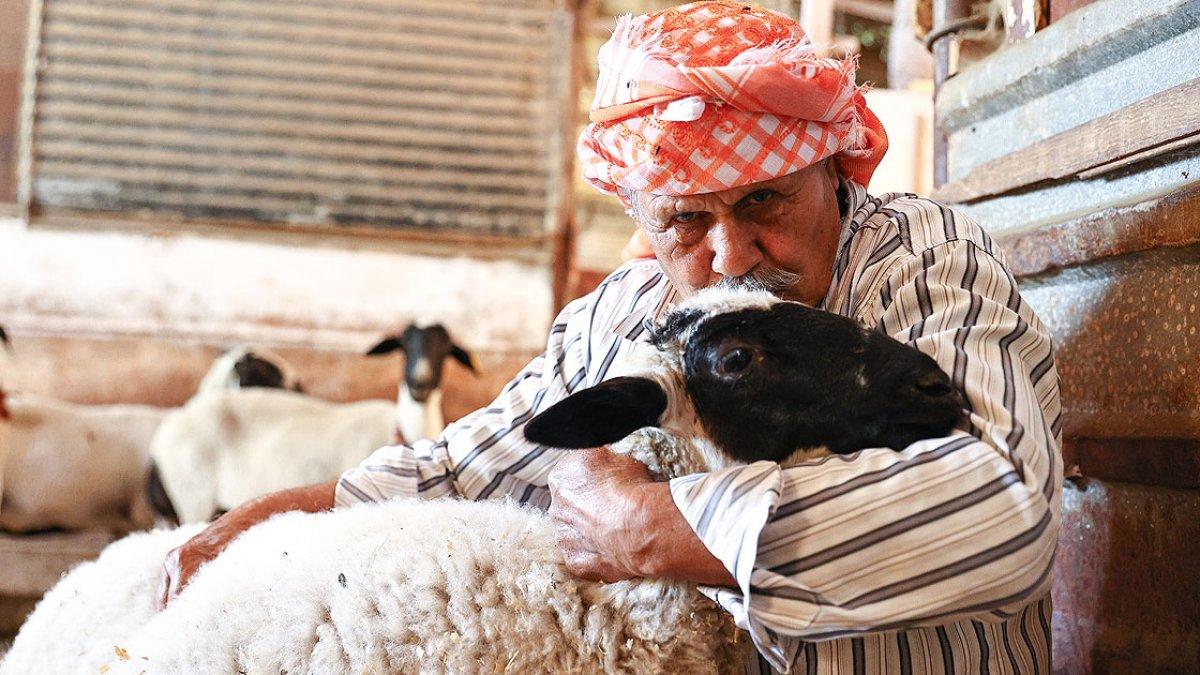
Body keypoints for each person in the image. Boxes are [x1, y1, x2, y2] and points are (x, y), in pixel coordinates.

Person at [160, 2, 1062, 672]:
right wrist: (254, 525)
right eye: (685, 219)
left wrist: (653, 527)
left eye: (764, 199)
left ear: (830, 168)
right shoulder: (621, 315)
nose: (730, 254)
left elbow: (1002, 507)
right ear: (640, 215)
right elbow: (461, 469)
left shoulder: (924, 261)